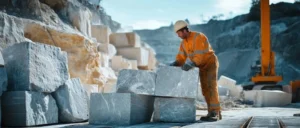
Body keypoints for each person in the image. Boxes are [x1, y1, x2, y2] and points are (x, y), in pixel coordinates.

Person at [170, 20, 222, 121]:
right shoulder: (183, 43)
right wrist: (176, 63)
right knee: (205, 89)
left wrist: (191, 64)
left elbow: (200, 56)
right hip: (201, 66)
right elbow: (181, 57)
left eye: (179, 33)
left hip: (210, 63)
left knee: (211, 86)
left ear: (184, 30)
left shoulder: (198, 37)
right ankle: (211, 112)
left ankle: (216, 112)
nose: (178, 35)